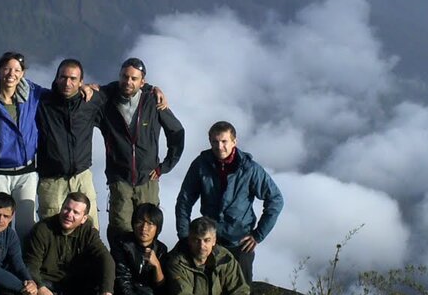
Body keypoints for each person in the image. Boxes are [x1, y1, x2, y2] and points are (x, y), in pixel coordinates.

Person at [175, 121, 284, 283]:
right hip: (209, 240)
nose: (219, 147)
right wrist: (185, 236)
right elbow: (184, 200)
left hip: (240, 242)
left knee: (241, 291)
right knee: (207, 288)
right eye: (215, 142)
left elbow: (275, 199)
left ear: (234, 141)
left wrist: (258, 235)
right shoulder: (201, 165)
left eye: (224, 141)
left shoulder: (249, 169)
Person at [99, 57, 184, 242]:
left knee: (148, 231)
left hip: (148, 179)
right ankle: (121, 270)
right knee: (120, 229)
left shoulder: (152, 101)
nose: (128, 82)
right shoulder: (106, 102)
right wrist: (89, 87)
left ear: (142, 82)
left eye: (133, 78)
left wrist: (165, 166)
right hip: (120, 179)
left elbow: (176, 131)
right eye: (124, 77)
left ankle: (146, 269)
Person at [35, 58, 107, 230]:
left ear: (81, 81)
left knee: (90, 230)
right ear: (56, 78)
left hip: (81, 176)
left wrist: (150, 88)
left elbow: (121, 89)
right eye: (63, 77)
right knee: (50, 233)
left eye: (73, 79)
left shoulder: (90, 101)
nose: (67, 82)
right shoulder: (42, 102)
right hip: (52, 180)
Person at [0, 52, 43, 238]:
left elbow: (60, 95)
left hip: (26, 170)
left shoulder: (33, 94)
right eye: (6, 68)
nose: (11, 74)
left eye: (16, 70)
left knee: (26, 224)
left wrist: (84, 88)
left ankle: (24, 264)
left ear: (23, 73)